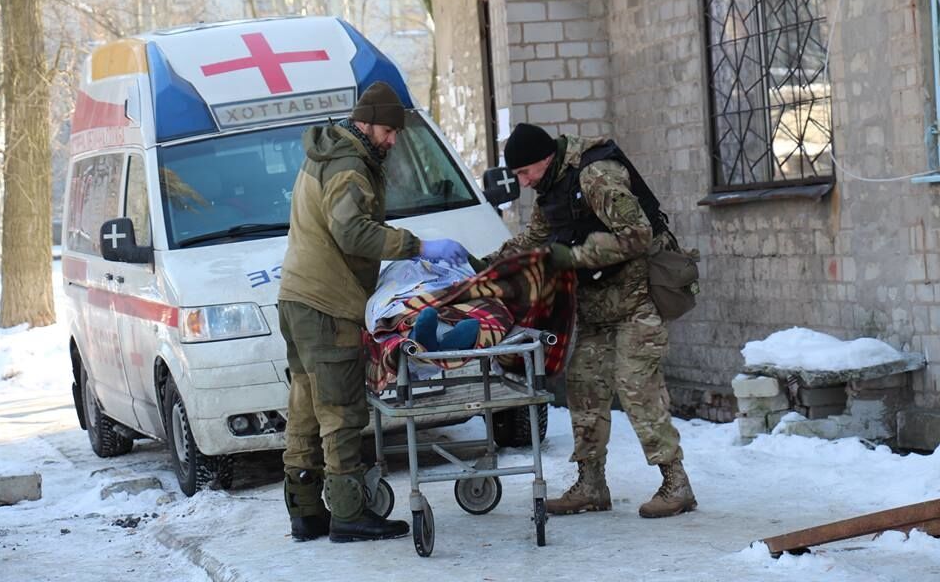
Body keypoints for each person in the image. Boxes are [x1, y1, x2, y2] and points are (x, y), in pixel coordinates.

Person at [278, 81, 469, 543]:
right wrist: (418, 246)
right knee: (341, 412)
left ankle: (305, 513)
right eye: (387, 130)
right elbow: (354, 234)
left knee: (306, 407)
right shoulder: (349, 168)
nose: (392, 140)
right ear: (364, 122)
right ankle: (349, 515)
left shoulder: (325, 154)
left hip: (297, 297)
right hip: (328, 304)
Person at [489, 122, 696, 518]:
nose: (524, 182)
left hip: (637, 301)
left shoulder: (596, 174)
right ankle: (591, 485)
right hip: (596, 306)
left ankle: (676, 483)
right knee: (583, 385)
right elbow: (535, 239)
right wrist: (493, 262)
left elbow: (638, 233)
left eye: (524, 173)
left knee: (636, 386)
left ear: (544, 159)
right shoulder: (552, 187)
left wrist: (576, 257)